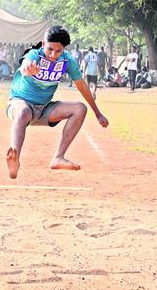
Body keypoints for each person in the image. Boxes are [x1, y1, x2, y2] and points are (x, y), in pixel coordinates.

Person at [6, 25, 109, 179]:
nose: (53, 55)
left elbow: (81, 85)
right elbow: (24, 68)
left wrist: (98, 113)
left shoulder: (67, 61)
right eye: (50, 49)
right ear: (43, 45)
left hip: (45, 109)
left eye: (58, 51)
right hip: (20, 103)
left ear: (64, 49)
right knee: (23, 111)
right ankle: (14, 159)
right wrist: (29, 70)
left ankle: (58, 157)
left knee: (80, 108)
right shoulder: (34, 54)